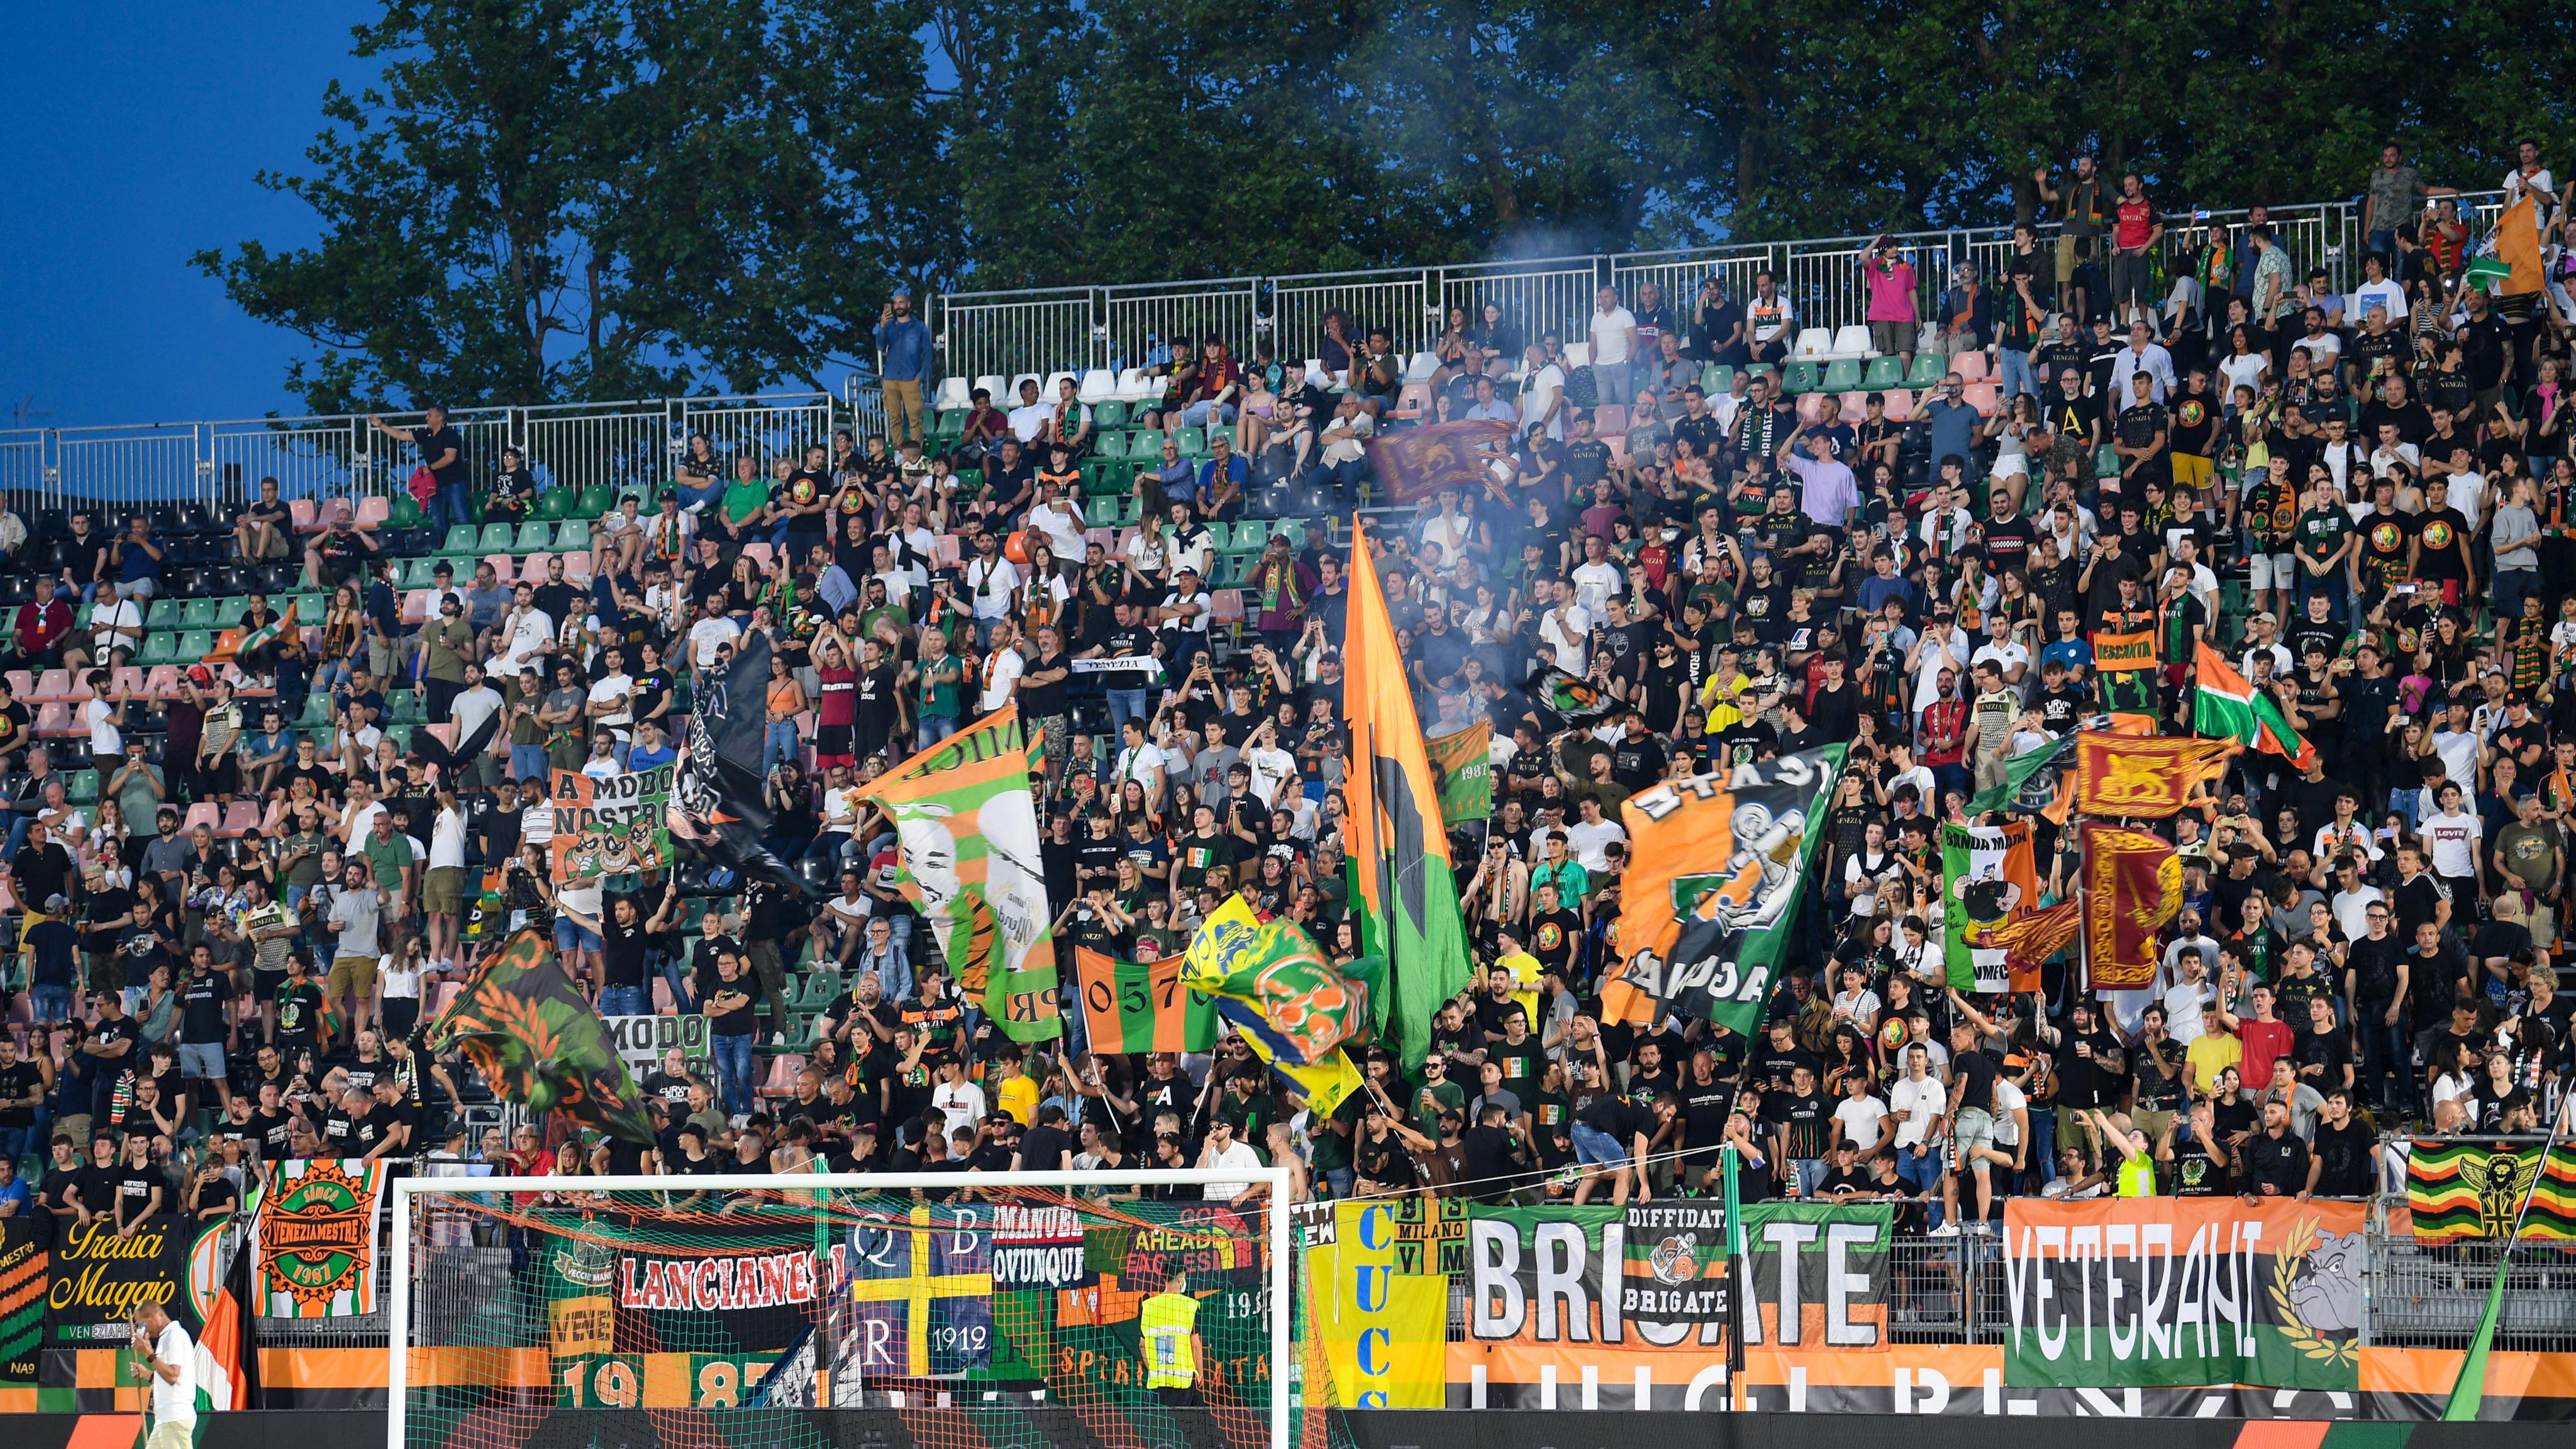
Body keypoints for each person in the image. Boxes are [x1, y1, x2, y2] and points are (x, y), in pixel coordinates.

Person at [1139, 1270, 1208, 1406]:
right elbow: (1195, 1345)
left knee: (1158, 1426)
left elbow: (1142, 1345)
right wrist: (1199, 1372)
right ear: (1181, 1280)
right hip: (1184, 1384)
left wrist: (1152, 1368)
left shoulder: (1148, 1306)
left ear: (1165, 1279)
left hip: (1157, 1384)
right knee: (1188, 1425)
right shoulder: (1189, 1306)